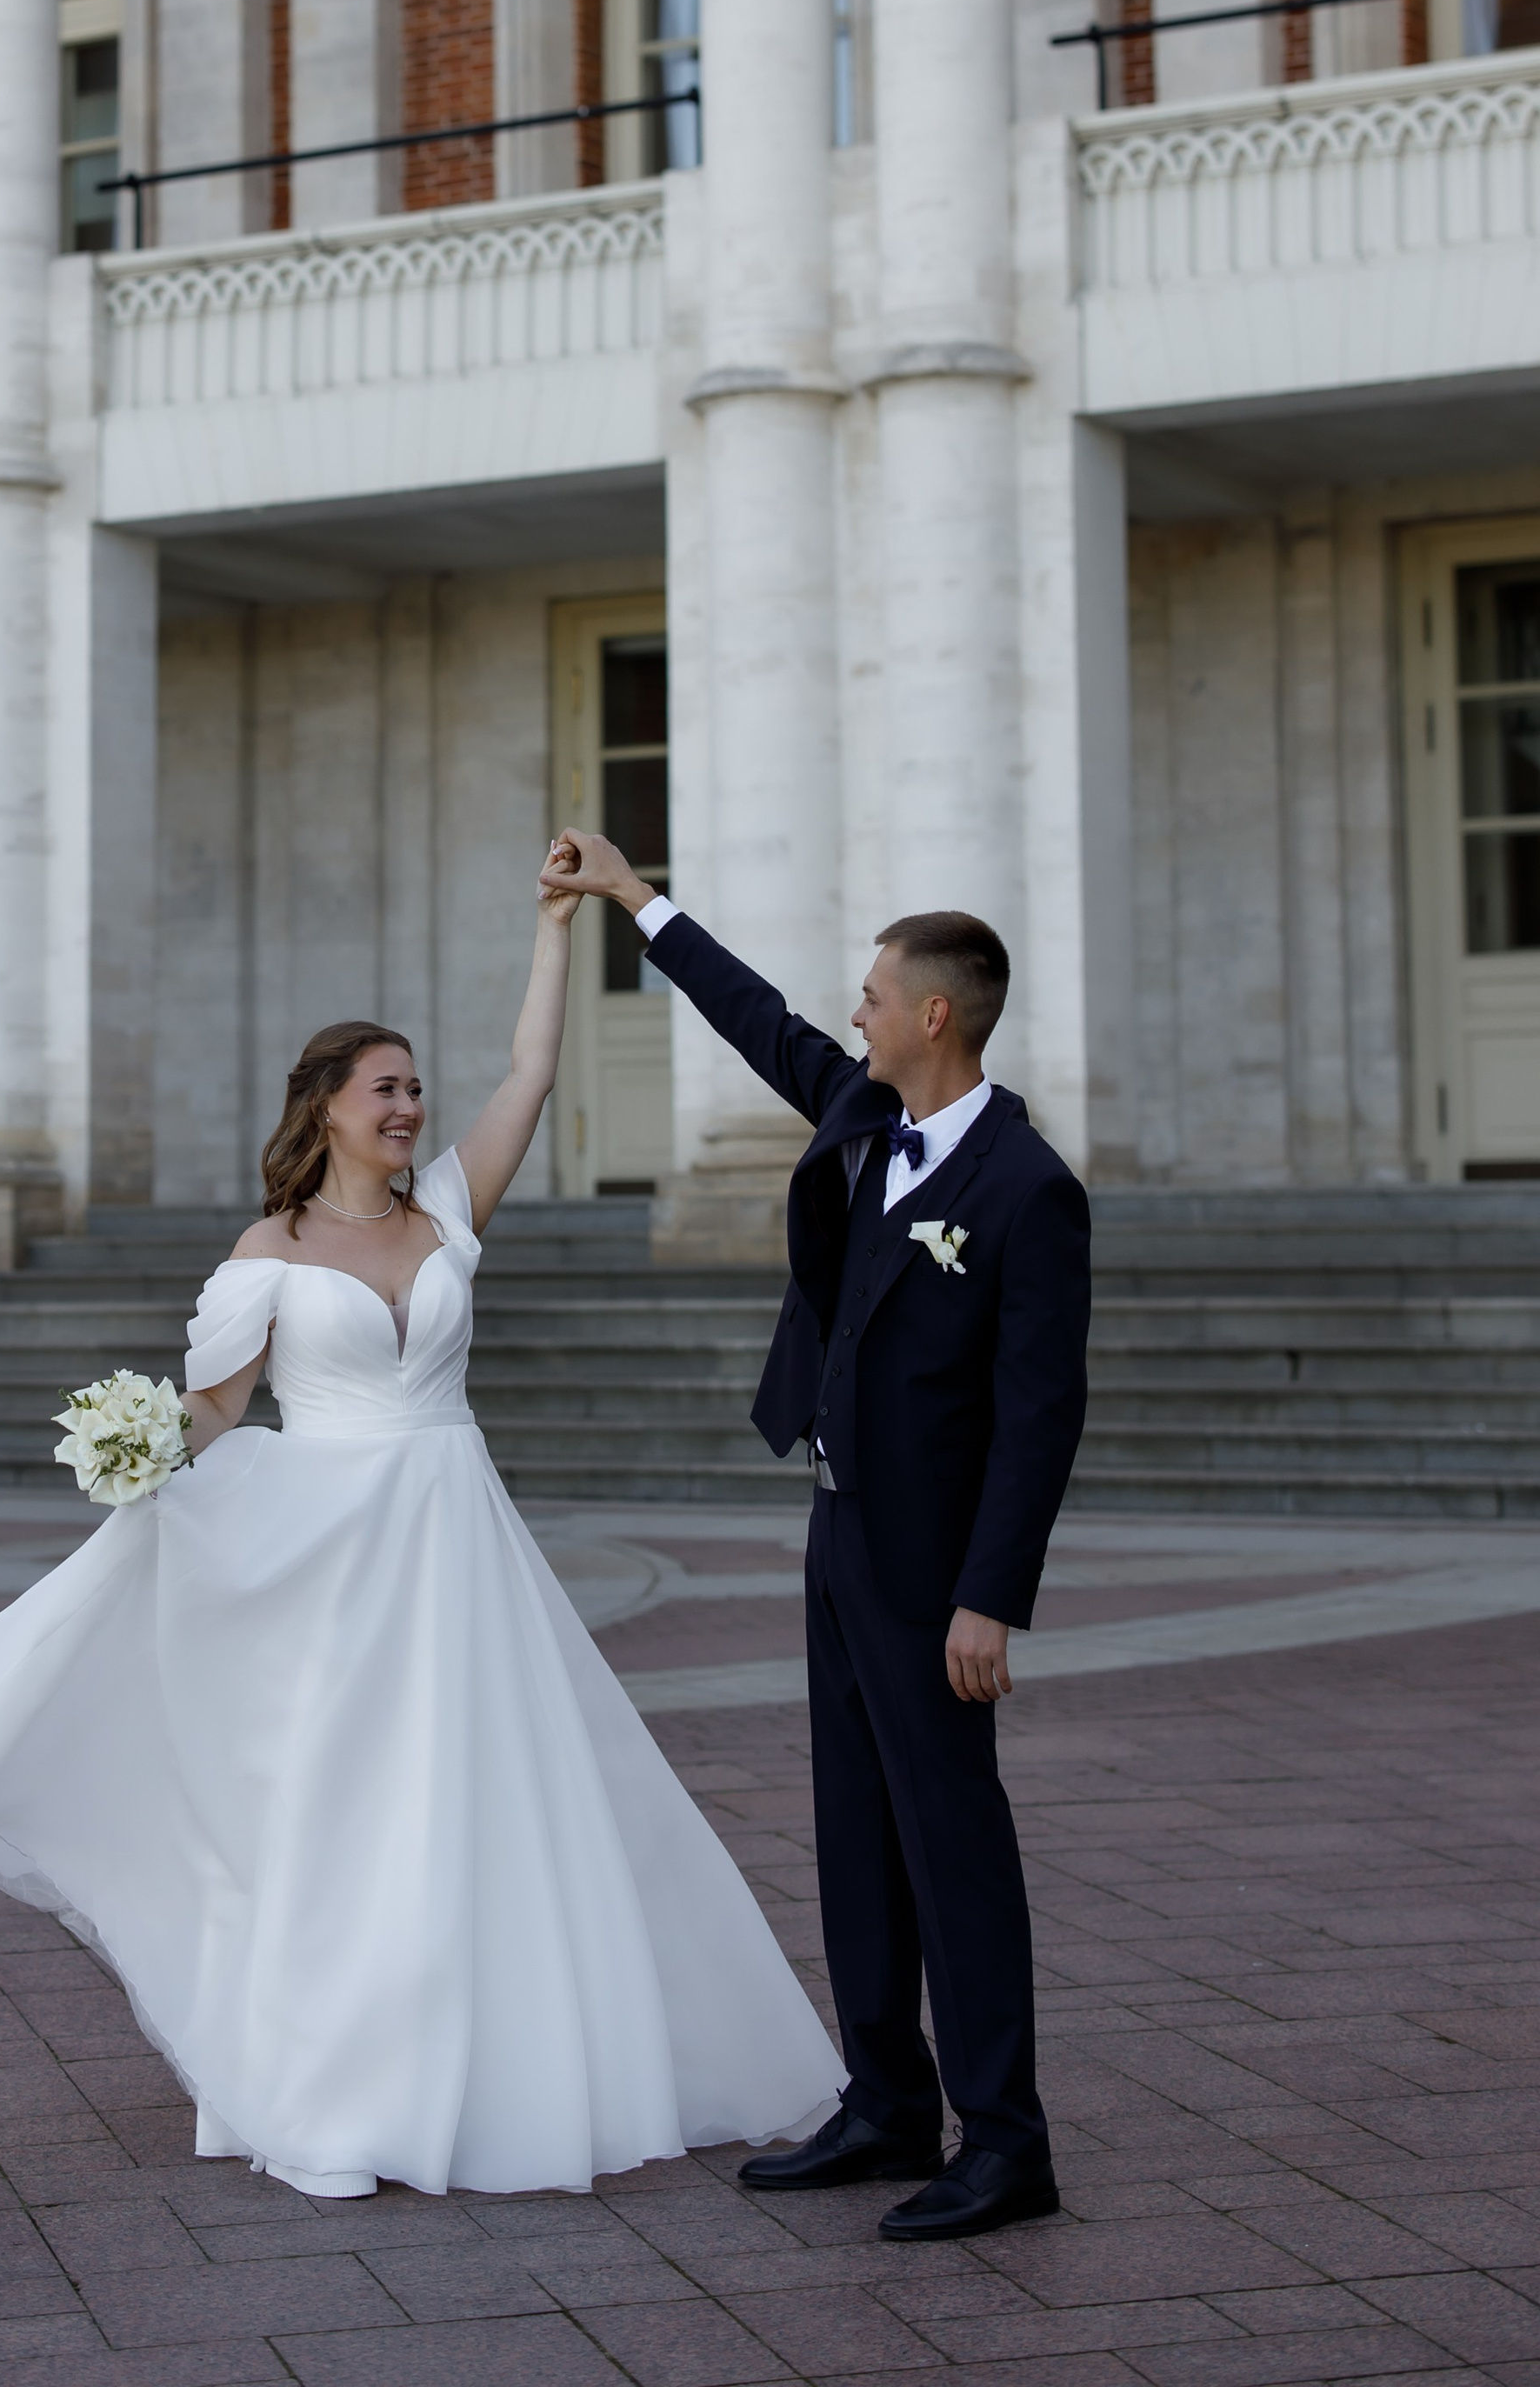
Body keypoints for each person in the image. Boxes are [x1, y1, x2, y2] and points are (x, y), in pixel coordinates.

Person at [0, 861, 842, 2200]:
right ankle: (341, 2083)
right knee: (350, 1812)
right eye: (386, 1089)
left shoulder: (447, 1213)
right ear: (326, 1107)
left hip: (457, 1542)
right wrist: (142, 1465)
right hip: (330, 1561)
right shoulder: (267, 1249)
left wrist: (557, 929)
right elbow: (210, 1412)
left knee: (492, 1798)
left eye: (416, 1089)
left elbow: (533, 1077)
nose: (410, 1107)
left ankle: (510, 2067)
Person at [543, 830, 1090, 2243]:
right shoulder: (862, 1111)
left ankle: (1005, 2141)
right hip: (840, 1530)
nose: (850, 1010)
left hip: (935, 1568)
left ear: (934, 1015)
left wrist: (990, 1600)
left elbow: (1041, 1417)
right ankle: (890, 2102)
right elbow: (756, 1018)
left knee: (950, 1838)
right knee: (856, 1830)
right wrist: (631, 897)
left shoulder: (1031, 1192)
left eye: (872, 992)